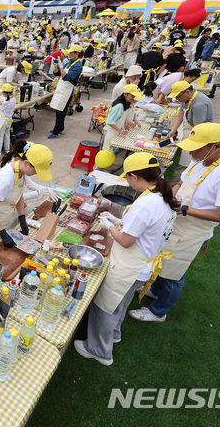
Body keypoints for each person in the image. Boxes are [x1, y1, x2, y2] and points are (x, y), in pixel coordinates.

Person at [129, 124, 220, 323]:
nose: (191, 151)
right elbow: (182, 183)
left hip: (194, 230)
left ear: (216, 146)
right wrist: (167, 197)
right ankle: (155, 290)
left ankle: (159, 312)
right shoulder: (199, 160)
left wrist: (186, 210)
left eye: (196, 147)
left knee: (175, 272)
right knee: (162, 259)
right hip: (178, 219)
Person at [74, 152, 178, 366]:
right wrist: (117, 219)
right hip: (145, 264)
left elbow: (126, 240)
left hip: (131, 265)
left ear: (135, 177)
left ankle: (99, 351)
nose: (128, 183)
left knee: (107, 306)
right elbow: (142, 228)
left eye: (128, 178)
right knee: (121, 303)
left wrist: (110, 226)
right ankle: (114, 334)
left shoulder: (146, 203)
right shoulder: (162, 195)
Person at [0, 140, 59, 255]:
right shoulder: (5, 179)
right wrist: (3, 233)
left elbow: (19, 195)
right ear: (26, 163)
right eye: (36, 171)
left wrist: (22, 218)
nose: (36, 174)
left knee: (0, 254)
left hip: (5, 218)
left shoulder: (20, 172)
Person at [165, 81, 214, 156]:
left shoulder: (199, 104)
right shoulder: (186, 98)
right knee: (186, 152)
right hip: (192, 124)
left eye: (177, 96)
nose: (177, 99)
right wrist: (173, 130)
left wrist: (182, 143)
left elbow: (197, 129)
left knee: (193, 154)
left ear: (187, 92)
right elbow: (180, 114)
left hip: (201, 131)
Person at [48, 44, 82, 139]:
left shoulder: (78, 65)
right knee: (59, 110)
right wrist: (55, 66)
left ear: (77, 54)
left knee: (60, 111)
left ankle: (56, 131)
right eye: (69, 52)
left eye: (72, 53)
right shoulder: (69, 62)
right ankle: (60, 128)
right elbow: (57, 73)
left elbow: (66, 77)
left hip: (67, 91)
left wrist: (61, 66)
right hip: (61, 89)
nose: (70, 54)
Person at [101, 84, 142, 151]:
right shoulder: (119, 106)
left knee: (111, 151)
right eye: (132, 96)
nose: (134, 98)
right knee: (106, 152)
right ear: (125, 94)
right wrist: (121, 130)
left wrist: (126, 123)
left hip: (116, 131)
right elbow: (110, 122)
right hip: (111, 132)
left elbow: (122, 116)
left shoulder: (127, 103)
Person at [0, 83, 18, 157]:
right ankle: (7, 150)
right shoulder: (13, 99)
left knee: (0, 136)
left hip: (3, 121)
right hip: (9, 120)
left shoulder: (7, 102)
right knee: (7, 135)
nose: (2, 93)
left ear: (5, 93)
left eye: (2, 92)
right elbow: (3, 103)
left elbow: (0, 107)